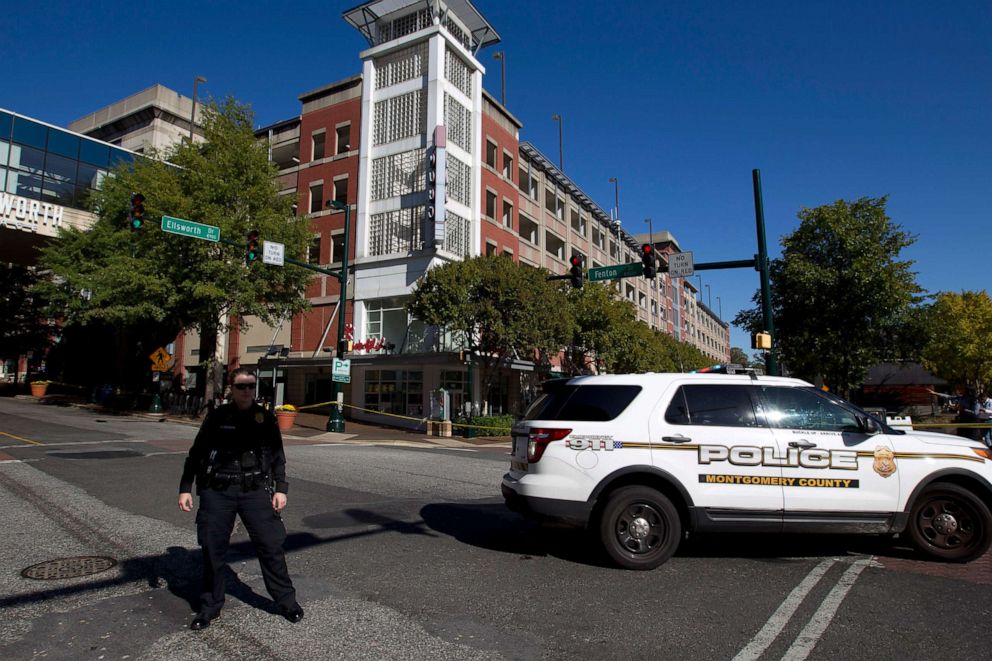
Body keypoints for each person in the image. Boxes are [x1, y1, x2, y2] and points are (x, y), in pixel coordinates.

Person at [178, 367, 303, 630]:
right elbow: (197, 452)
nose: (246, 390)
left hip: (254, 490)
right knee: (213, 549)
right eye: (241, 386)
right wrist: (185, 487)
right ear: (231, 389)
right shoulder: (217, 417)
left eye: (250, 386)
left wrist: (281, 488)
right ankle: (209, 606)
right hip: (218, 490)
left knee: (271, 546)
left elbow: (278, 455)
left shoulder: (265, 418)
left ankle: (286, 602)